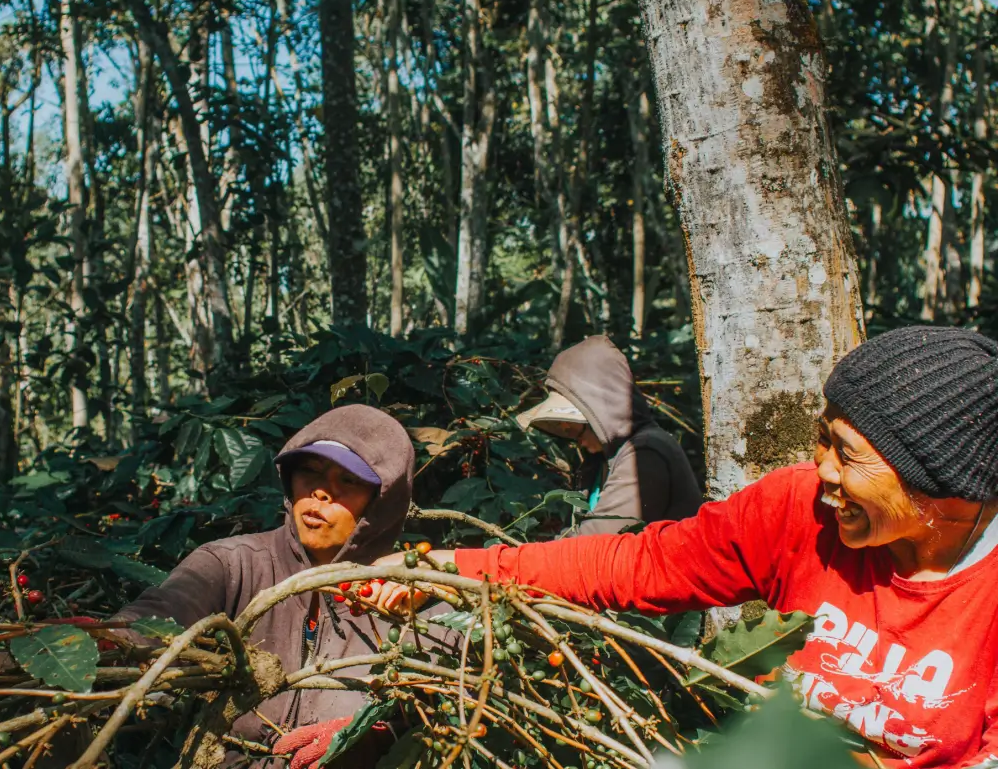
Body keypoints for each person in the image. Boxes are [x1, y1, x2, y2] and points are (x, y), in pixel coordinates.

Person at [368, 326, 998, 768]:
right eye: (823, 439)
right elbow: (634, 562)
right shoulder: (796, 509)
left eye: (849, 455)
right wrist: (449, 568)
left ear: (943, 486)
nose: (822, 468)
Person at [113, 404, 416, 768]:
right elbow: (161, 612)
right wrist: (110, 639)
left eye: (348, 481)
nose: (320, 492)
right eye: (310, 472)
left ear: (382, 502)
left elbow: (430, 709)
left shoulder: (409, 593)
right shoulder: (232, 563)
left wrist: (371, 733)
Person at [516, 335, 702, 534]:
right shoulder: (603, 459)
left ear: (599, 415)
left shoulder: (646, 451)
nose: (576, 441)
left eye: (576, 428)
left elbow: (598, 541)